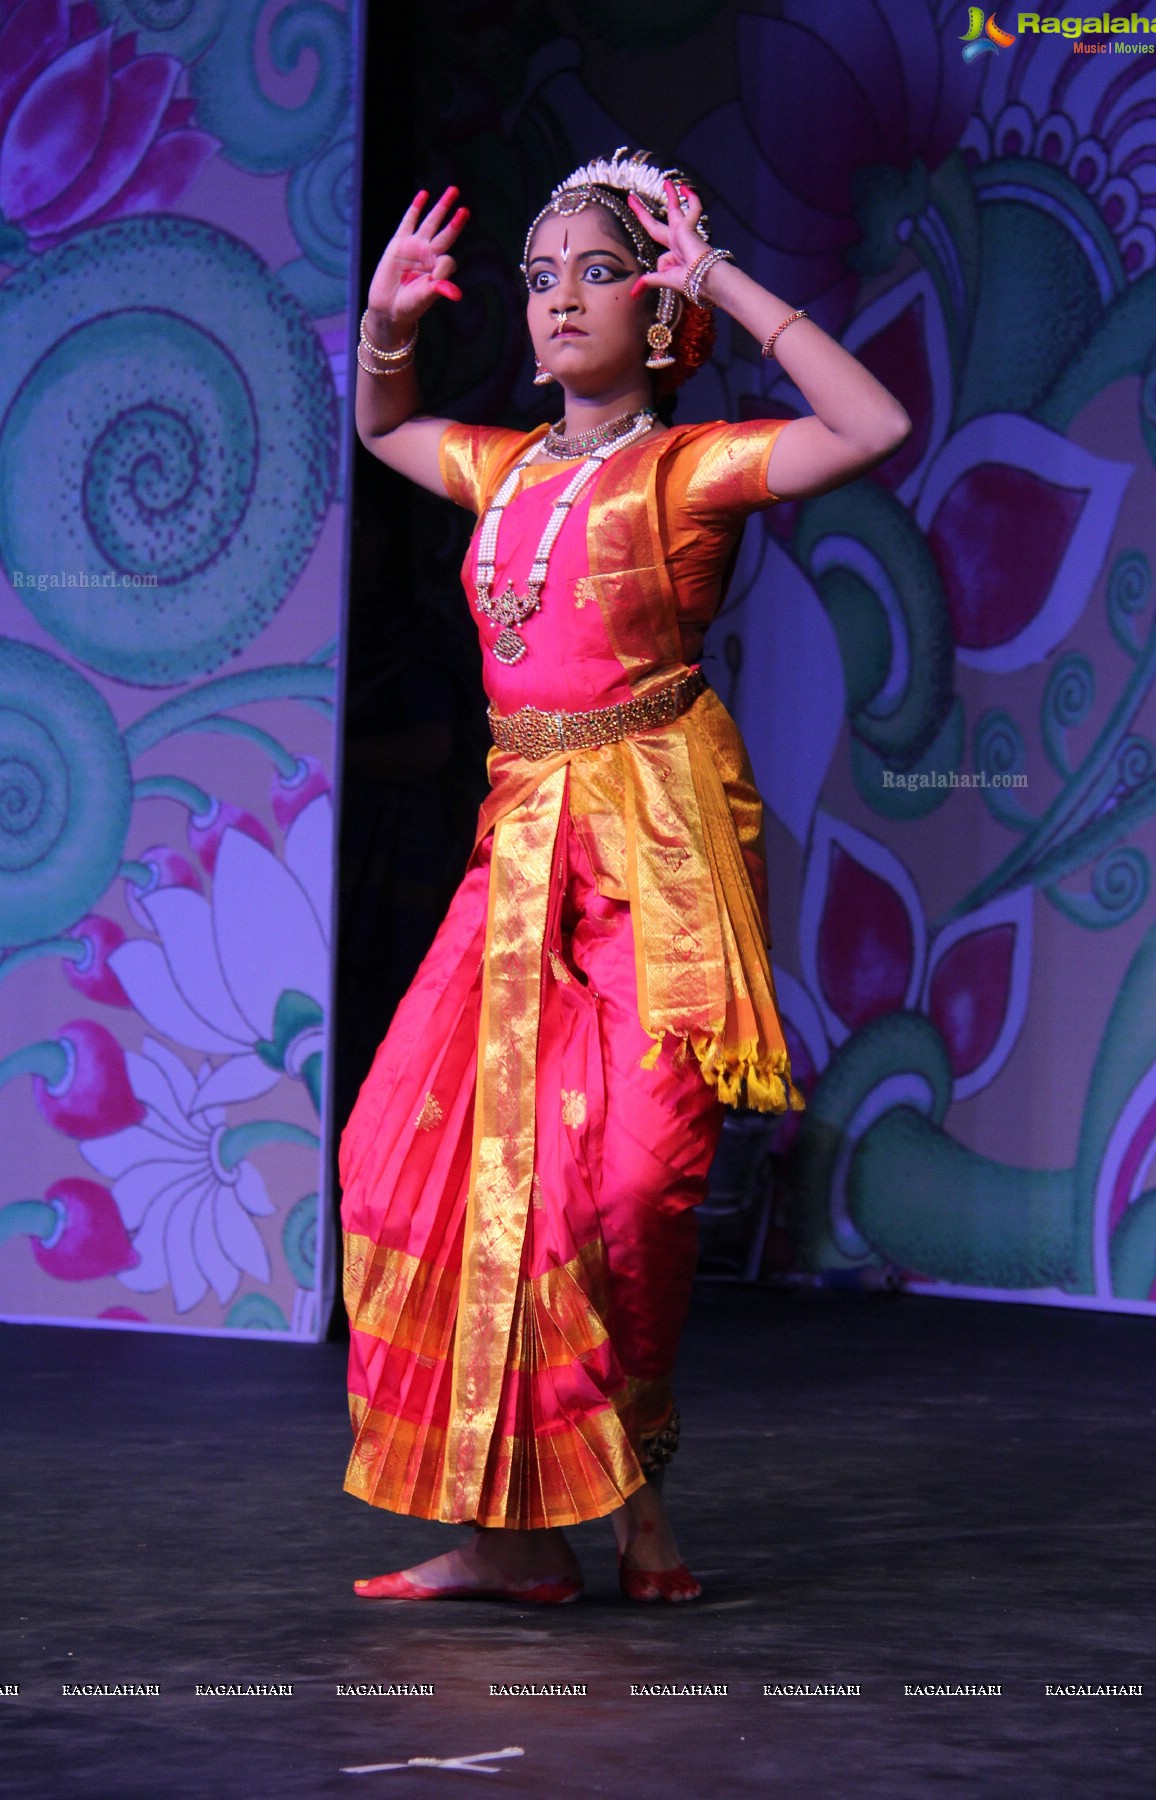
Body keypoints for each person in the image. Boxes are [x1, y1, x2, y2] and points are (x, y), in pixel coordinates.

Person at [339, 150, 911, 1605]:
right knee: (424, 1166)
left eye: (596, 271)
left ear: (654, 311)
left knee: (633, 1190)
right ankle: (506, 1536)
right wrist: (388, 324)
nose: (558, 302)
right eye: (538, 280)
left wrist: (713, 270)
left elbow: (876, 421)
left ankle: (640, 1504)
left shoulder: (687, 469)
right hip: (516, 857)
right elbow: (384, 423)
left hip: (653, 858)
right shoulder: (502, 467)